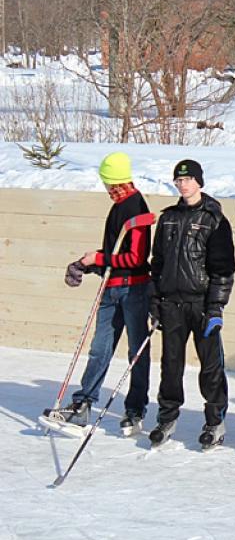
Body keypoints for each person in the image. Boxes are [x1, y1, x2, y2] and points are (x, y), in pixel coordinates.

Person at [43, 152, 153, 435]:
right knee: (99, 349)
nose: (108, 188)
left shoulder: (137, 208)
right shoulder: (119, 206)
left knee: (136, 352)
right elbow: (115, 252)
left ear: (118, 181)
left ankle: (135, 409)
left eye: (109, 183)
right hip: (112, 288)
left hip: (134, 290)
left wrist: (99, 259)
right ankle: (82, 406)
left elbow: (137, 258)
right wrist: (86, 263)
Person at [147, 160, 235, 449]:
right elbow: (157, 262)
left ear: (199, 182)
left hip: (201, 304)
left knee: (210, 367)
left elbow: (223, 269)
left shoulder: (214, 219)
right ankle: (166, 418)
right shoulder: (168, 218)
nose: (183, 185)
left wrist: (216, 308)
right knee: (170, 364)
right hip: (172, 303)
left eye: (188, 179)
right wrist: (155, 298)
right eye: (178, 180)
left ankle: (214, 421)